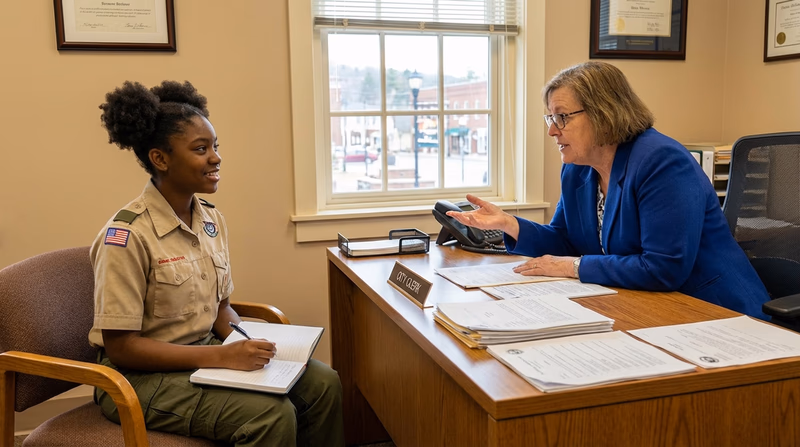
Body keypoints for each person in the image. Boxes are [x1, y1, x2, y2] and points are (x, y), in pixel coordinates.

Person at [89, 80, 345, 446]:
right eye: (200, 149)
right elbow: (122, 347)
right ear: (160, 158)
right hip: (136, 378)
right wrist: (222, 357)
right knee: (269, 415)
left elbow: (221, 309)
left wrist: (252, 342)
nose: (216, 157)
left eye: (215, 146)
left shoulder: (210, 220)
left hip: (205, 350)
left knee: (324, 383)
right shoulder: (127, 236)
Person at [447, 61, 770, 319]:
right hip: (644, 304)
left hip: (711, 309)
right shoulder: (577, 167)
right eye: (549, 117)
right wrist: (508, 223)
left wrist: (572, 267)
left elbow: (664, 268)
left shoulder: (662, 161)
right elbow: (567, 240)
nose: (551, 130)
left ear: (604, 113)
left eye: (561, 117)